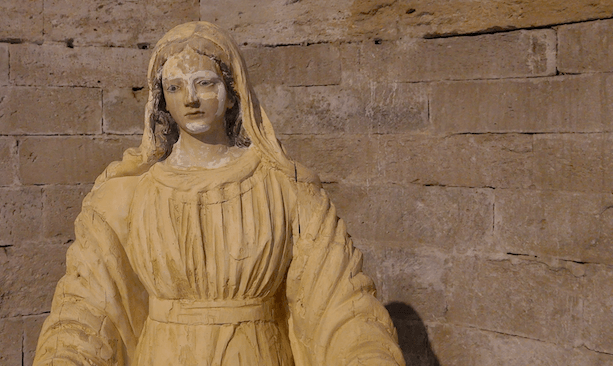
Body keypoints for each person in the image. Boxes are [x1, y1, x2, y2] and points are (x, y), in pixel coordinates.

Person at [33, 21, 404, 366]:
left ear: (232, 94)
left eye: (205, 83)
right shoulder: (126, 195)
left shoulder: (285, 188)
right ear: (161, 101)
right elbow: (87, 305)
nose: (190, 98)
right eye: (175, 87)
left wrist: (365, 353)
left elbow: (339, 301)